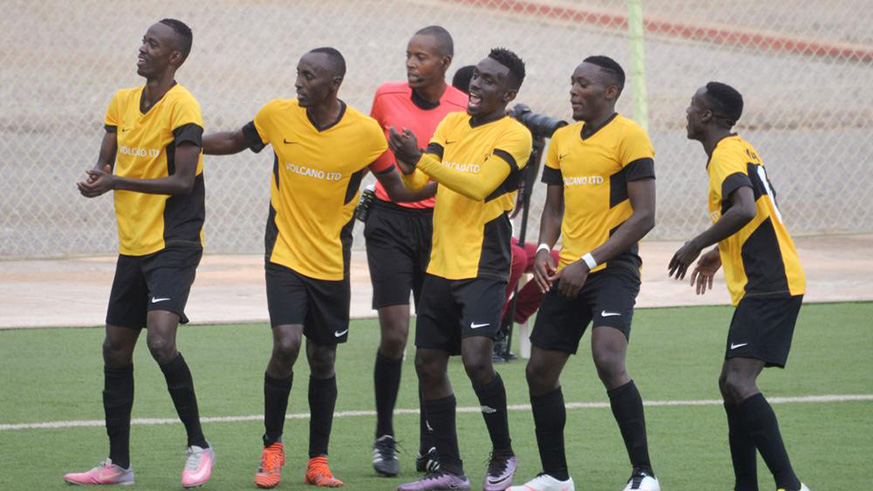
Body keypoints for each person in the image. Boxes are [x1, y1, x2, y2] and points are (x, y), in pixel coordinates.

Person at [201, 47, 430, 489]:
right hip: (284, 254)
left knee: (323, 359)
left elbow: (398, 190)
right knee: (286, 345)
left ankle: (318, 461)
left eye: (308, 76)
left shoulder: (366, 133)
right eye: (298, 73)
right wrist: (186, 143)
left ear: (333, 84)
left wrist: (432, 170)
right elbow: (235, 140)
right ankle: (272, 449)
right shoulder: (277, 115)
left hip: (330, 263)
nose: (299, 83)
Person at [64, 19, 214, 488]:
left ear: (176, 57)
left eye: (153, 43)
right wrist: (96, 179)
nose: (142, 48)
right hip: (134, 242)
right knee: (114, 349)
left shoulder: (183, 106)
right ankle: (118, 465)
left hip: (175, 240)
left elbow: (183, 181)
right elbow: (105, 161)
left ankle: (199, 446)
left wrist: (116, 181)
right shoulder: (122, 101)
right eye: (143, 40)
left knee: (161, 341)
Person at [509, 56, 659, 491]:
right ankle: (556, 476)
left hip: (613, 267)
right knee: (538, 370)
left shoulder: (630, 137)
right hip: (568, 268)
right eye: (572, 82)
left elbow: (645, 216)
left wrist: (589, 262)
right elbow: (553, 207)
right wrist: (541, 249)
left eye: (584, 84)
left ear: (610, 92)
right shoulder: (562, 139)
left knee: (608, 358)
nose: (573, 91)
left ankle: (644, 475)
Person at [389, 48, 532, 491]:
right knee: (429, 364)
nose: (476, 85)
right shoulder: (451, 125)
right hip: (440, 262)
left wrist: (423, 160)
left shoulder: (515, 135)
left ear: (508, 94)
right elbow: (417, 186)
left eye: (490, 81)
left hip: (484, 264)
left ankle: (503, 454)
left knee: (475, 360)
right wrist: (406, 159)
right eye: (476, 78)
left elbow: (477, 186)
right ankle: (450, 470)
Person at [669, 82, 810, 491]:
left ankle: (790, 484)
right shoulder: (739, 148)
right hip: (766, 280)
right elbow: (758, 207)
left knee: (738, 382)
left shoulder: (726, 154)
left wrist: (697, 244)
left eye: (692, 106)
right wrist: (722, 251)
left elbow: (746, 207)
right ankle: (745, 484)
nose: (687, 112)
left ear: (708, 116)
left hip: (771, 282)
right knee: (729, 383)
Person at [366, 25, 467, 477]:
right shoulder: (385, 97)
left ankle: (431, 444)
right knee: (394, 334)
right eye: (408, 55)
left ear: (444, 62)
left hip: (439, 226)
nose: (411, 63)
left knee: (434, 343)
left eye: (422, 57)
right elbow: (368, 150)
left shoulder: (463, 107)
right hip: (388, 222)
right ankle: (384, 435)